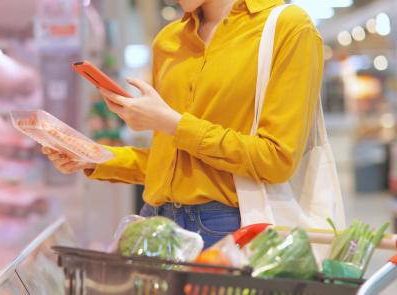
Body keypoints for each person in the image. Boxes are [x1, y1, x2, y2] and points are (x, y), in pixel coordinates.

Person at [42, 0, 323, 249]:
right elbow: (171, 163)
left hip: (232, 228)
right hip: (154, 221)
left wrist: (173, 124)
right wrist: (93, 156)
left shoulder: (288, 27)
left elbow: (276, 158)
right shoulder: (168, 41)